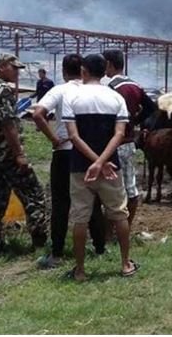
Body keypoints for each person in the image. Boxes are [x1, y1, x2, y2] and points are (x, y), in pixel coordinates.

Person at [62, 54, 138, 281]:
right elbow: (119, 134)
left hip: (80, 168)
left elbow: (74, 137)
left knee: (80, 218)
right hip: (111, 168)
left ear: (83, 71)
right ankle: (125, 264)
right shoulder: (115, 98)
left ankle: (80, 270)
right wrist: (102, 162)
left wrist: (94, 163)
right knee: (119, 214)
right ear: (105, 70)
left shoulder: (72, 97)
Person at [32, 55, 106, 268]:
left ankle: (56, 254)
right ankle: (100, 248)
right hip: (87, 153)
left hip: (64, 152)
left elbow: (38, 114)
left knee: (61, 203)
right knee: (92, 200)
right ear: (83, 70)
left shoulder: (59, 90)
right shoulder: (90, 91)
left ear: (64, 71)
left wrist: (54, 139)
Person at [0, 53, 48, 253]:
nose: (17, 72)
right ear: (1, 67)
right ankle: (40, 244)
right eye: (14, 68)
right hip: (8, 154)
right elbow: (8, 124)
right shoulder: (2, 90)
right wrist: (19, 154)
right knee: (34, 196)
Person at [102, 49, 147, 227]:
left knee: (109, 190)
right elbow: (150, 108)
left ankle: (108, 232)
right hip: (128, 142)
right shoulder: (135, 86)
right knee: (131, 188)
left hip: (112, 143)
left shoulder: (111, 88)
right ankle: (126, 227)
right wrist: (134, 120)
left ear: (109, 65)